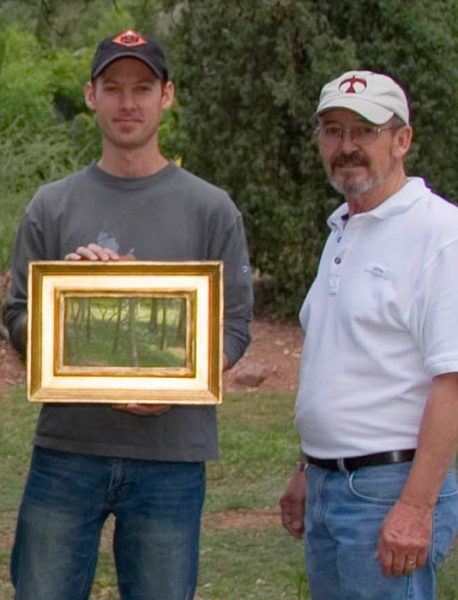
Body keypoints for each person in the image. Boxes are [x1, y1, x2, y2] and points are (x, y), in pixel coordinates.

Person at [5, 29, 253, 600]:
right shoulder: (52, 205)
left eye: (142, 88)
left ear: (167, 95)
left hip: (171, 458)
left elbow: (234, 327)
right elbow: (16, 316)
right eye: (113, 88)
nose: (127, 103)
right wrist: (65, 304)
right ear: (91, 95)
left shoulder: (211, 208)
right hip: (67, 451)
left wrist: (180, 385)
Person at [280, 70, 458, 600]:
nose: (347, 146)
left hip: (388, 491)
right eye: (333, 131)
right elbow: (344, 365)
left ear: (402, 140)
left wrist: (415, 507)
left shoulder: (439, 235)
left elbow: (452, 383)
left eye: (365, 131)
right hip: (334, 487)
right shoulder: (344, 227)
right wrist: (310, 468)